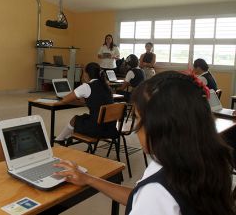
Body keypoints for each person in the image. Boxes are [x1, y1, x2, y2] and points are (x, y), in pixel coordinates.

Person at [55, 71, 236, 215]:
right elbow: (138, 197)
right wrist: (88, 179)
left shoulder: (158, 191)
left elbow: (151, 197)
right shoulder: (208, 161)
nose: (135, 129)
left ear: (162, 127)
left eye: (138, 119)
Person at [54, 62, 117, 143]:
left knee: (75, 119)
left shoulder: (86, 87)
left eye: (83, 72)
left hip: (97, 130)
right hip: (110, 128)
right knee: (83, 118)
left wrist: (54, 103)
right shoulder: (106, 86)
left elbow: (65, 100)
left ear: (87, 74)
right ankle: (63, 138)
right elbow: (87, 102)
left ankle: (60, 139)